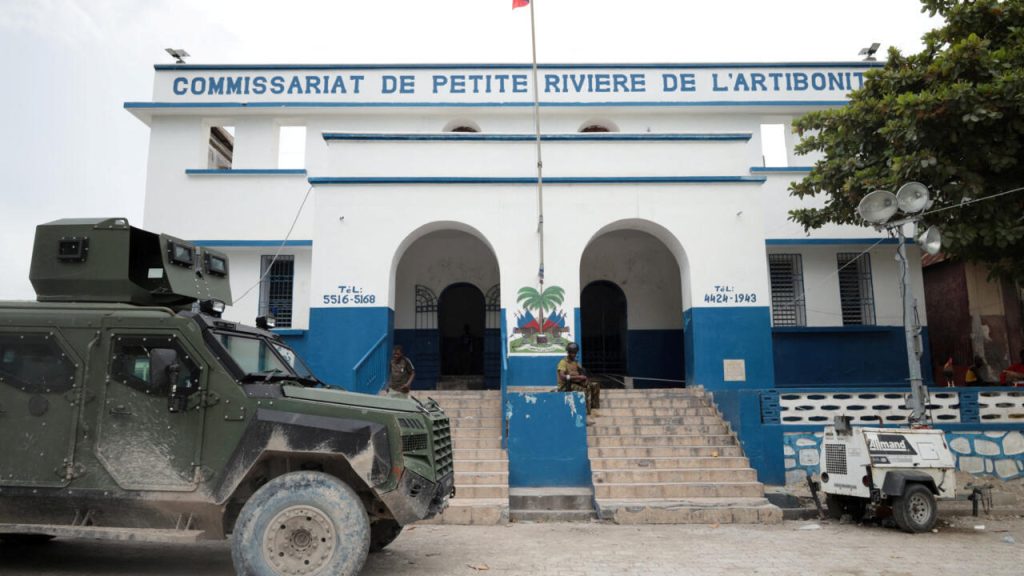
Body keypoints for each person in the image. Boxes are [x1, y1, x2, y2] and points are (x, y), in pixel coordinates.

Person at [557, 342, 600, 420]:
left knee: (594, 385)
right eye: (572, 352)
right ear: (568, 352)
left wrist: (583, 374)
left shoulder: (575, 362)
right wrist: (578, 377)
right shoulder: (563, 362)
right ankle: (586, 414)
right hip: (565, 386)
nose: (574, 354)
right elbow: (562, 376)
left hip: (575, 382)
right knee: (584, 390)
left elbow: (581, 371)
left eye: (575, 352)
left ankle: (594, 408)